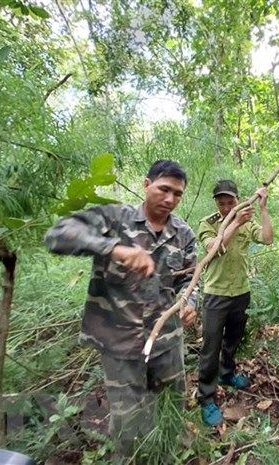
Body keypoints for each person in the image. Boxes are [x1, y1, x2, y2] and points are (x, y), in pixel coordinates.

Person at [44, 160, 197, 461]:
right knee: (128, 421)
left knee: (171, 406)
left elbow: (191, 279)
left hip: (166, 342)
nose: (170, 199)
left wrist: (189, 302)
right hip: (120, 344)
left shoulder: (183, 233)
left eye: (177, 194)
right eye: (164, 189)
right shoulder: (114, 218)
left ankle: (165, 456)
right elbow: (57, 235)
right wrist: (113, 248)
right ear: (146, 185)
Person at [196, 180, 274, 426]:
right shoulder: (208, 223)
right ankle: (205, 397)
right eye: (222, 203)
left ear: (238, 200)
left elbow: (267, 238)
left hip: (240, 292)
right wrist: (235, 222)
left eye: (231, 202)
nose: (227, 207)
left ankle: (227, 374)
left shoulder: (247, 221)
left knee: (232, 340)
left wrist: (263, 208)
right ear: (216, 204)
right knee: (211, 347)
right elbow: (214, 248)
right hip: (215, 294)